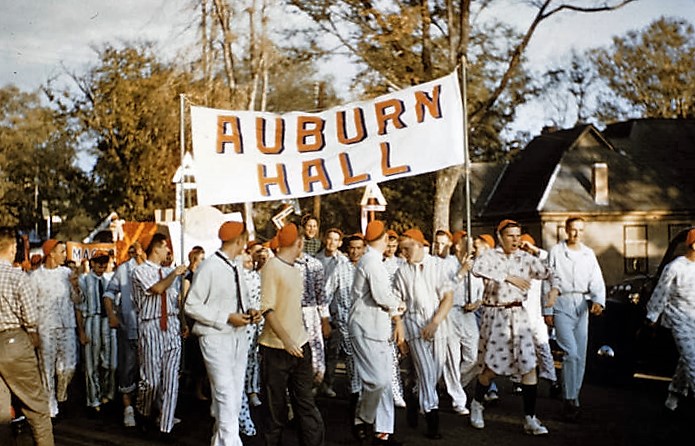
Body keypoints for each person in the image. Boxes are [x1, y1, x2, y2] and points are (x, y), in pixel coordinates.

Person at [470, 219, 560, 435]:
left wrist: (554, 290)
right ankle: (477, 404)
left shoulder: (525, 258)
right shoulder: (490, 256)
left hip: (518, 316)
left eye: (518, 235)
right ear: (500, 236)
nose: (515, 240)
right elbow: (477, 268)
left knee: (529, 366)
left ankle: (530, 418)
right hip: (495, 315)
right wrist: (507, 277)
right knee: (491, 368)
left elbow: (551, 272)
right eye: (510, 235)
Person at [185, 221, 261, 446]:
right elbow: (191, 305)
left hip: (238, 336)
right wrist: (226, 317)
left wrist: (251, 311)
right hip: (214, 337)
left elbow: (242, 297)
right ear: (238, 240)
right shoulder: (209, 267)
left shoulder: (236, 265)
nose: (245, 245)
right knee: (226, 394)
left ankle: (220, 441)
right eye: (244, 241)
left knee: (234, 398)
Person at [259, 223, 325, 446]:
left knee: (305, 404)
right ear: (298, 243)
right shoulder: (271, 268)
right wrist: (286, 340)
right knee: (274, 411)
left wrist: (299, 341)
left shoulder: (296, 270)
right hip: (275, 348)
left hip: (300, 346)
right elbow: (267, 309)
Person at [393, 228, 454, 440]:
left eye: (407, 248)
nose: (404, 253)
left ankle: (413, 394)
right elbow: (398, 305)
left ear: (419, 244)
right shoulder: (401, 272)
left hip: (437, 323)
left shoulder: (437, 266)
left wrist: (435, 322)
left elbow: (448, 297)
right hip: (414, 324)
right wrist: (400, 333)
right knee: (427, 372)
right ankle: (432, 418)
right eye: (401, 250)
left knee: (435, 372)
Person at [349, 220, 406, 445]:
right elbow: (382, 296)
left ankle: (382, 433)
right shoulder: (371, 261)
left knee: (384, 384)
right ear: (384, 239)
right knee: (378, 381)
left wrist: (395, 308)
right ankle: (361, 419)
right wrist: (398, 307)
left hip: (377, 328)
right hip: (365, 328)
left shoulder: (375, 260)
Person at [544, 216, 605, 421]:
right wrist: (548, 310)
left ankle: (574, 397)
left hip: (581, 303)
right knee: (570, 353)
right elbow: (547, 280)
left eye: (580, 230)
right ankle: (569, 399)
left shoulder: (588, 254)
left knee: (580, 354)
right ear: (566, 231)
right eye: (573, 230)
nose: (576, 234)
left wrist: (598, 301)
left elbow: (596, 280)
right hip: (560, 302)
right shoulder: (556, 252)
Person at [0, 228, 55, 446]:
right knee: (37, 408)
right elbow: (31, 317)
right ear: (12, 248)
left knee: (2, 412)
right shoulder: (17, 277)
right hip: (14, 339)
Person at [131, 233, 188, 442]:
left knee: (172, 378)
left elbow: (175, 300)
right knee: (151, 381)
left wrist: (182, 322)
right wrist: (174, 274)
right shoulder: (140, 271)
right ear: (156, 248)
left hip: (171, 324)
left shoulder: (167, 271)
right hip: (151, 325)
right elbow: (157, 288)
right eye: (165, 248)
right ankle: (143, 410)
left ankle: (166, 427)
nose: (168, 252)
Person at [645, 228, 695, 411]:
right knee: (693, 360)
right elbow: (661, 293)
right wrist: (652, 316)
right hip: (679, 320)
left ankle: (673, 396)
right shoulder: (675, 267)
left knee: (686, 360)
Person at [30, 239, 80, 419]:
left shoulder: (67, 273)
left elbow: (78, 301)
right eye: (61, 251)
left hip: (67, 325)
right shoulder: (35, 277)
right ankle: (51, 409)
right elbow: (31, 305)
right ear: (51, 253)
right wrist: (33, 330)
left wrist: (75, 286)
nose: (65, 255)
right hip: (46, 327)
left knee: (68, 368)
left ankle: (61, 395)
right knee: (47, 369)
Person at [103, 241, 145, 427]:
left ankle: (146, 408)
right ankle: (128, 409)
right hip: (128, 326)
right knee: (127, 367)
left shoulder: (156, 269)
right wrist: (112, 315)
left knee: (147, 371)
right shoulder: (124, 269)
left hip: (149, 330)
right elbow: (109, 293)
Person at [443, 230, 483, 415]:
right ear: (458, 245)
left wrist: (476, 303)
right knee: (453, 357)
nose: (472, 247)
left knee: (474, 358)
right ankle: (458, 400)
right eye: (469, 243)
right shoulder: (447, 264)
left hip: (468, 314)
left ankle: (451, 384)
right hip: (450, 312)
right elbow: (443, 288)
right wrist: (461, 272)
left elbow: (481, 291)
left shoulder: (475, 265)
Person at [321, 233, 363, 403]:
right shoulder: (340, 267)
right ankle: (355, 390)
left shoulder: (369, 267)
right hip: (344, 320)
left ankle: (361, 390)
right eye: (352, 248)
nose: (355, 251)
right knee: (351, 356)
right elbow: (326, 293)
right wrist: (325, 319)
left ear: (364, 249)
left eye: (359, 248)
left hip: (366, 321)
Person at [76, 250, 117, 415]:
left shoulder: (110, 280)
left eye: (104, 261)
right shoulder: (84, 281)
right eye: (98, 261)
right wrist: (81, 331)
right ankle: (94, 400)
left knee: (111, 364)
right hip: (91, 320)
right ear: (92, 263)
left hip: (107, 322)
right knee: (91, 364)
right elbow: (78, 308)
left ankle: (108, 394)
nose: (102, 264)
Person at [295, 251, 330, 389]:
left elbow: (321, 294)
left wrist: (325, 320)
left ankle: (315, 382)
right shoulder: (281, 264)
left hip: (311, 313)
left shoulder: (314, 264)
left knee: (315, 349)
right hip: (289, 312)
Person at [181, 246, 208, 402]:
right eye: (201, 259)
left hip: (200, 319)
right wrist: (185, 322)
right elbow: (184, 300)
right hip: (191, 321)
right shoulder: (188, 277)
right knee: (194, 357)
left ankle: (198, 387)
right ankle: (193, 389)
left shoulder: (201, 276)